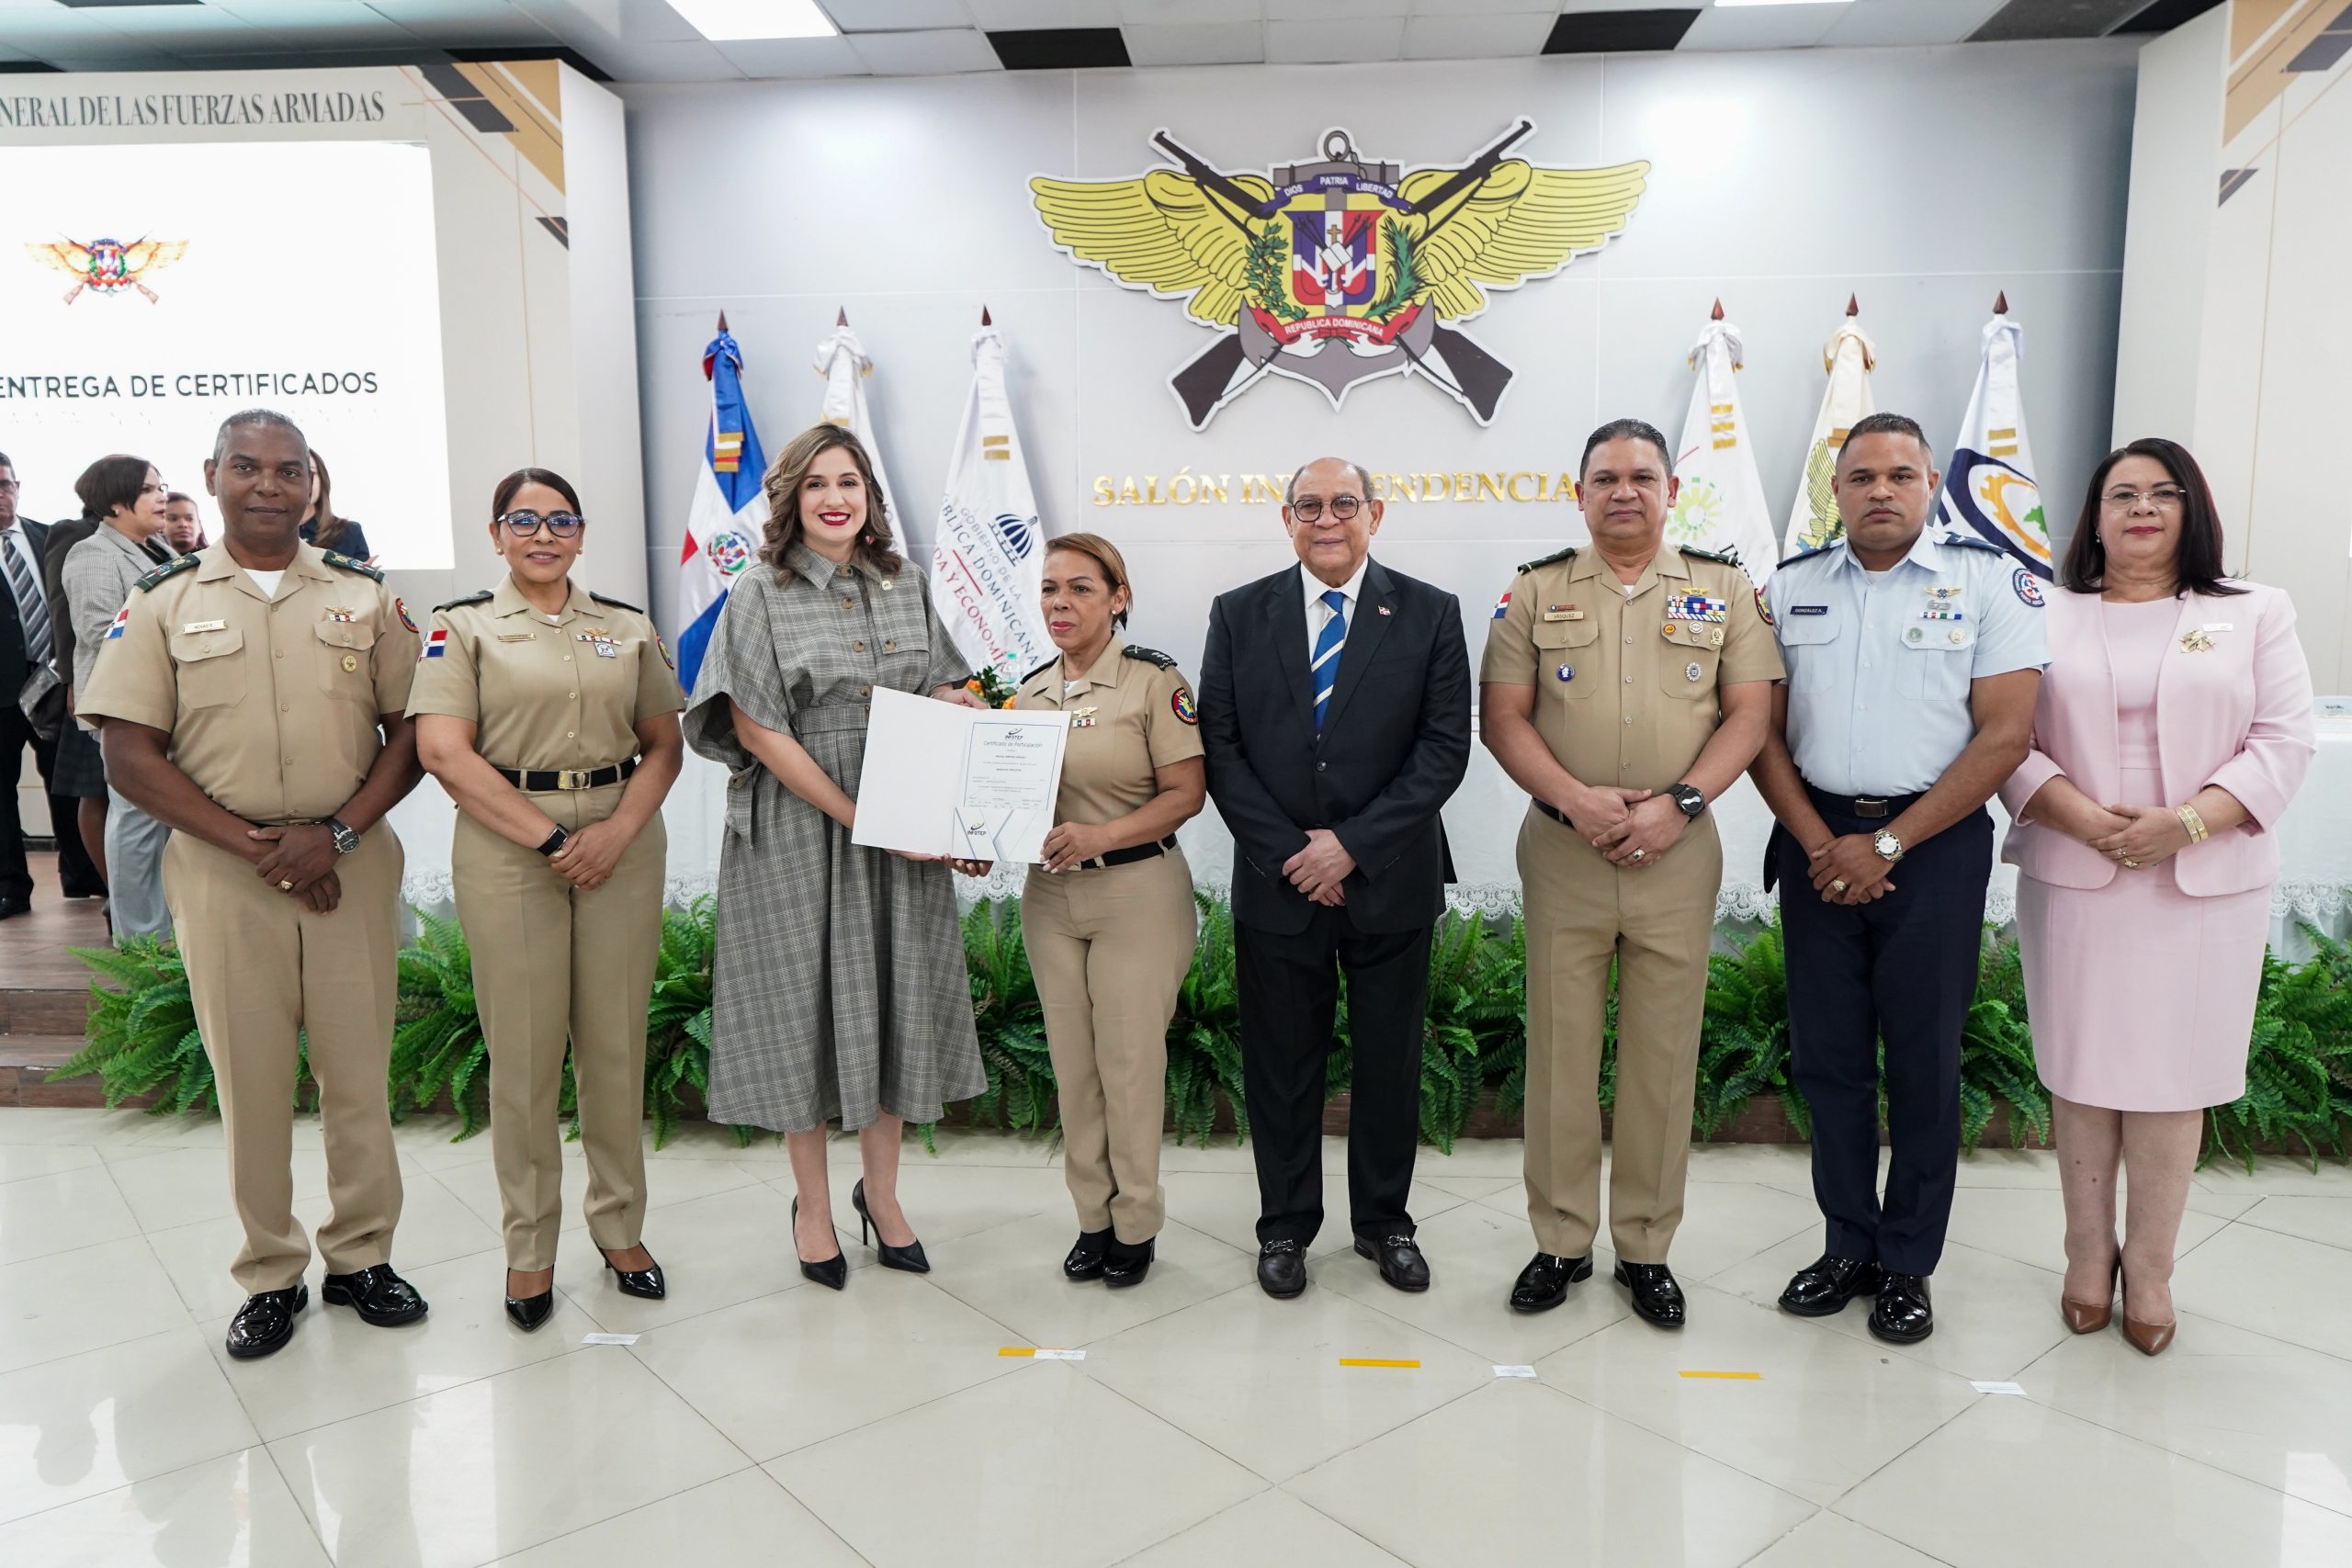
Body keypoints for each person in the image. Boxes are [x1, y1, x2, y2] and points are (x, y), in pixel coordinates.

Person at [79, 409, 428, 1359]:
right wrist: (261, 847)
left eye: (288, 470)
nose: (268, 485)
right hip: (224, 875)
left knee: (358, 1077)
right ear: (212, 476)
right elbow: (128, 753)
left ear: (312, 485)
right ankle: (271, 1273)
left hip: (350, 867)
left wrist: (336, 836)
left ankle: (362, 1257)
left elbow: (413, 733)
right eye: (247, 467)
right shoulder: (161, 601)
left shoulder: (364, 596)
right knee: (252, 1083)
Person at [2000, 438, 2314, 1358]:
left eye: (2162, 493)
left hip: (2201, 883)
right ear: (2094, 519)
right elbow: (2003, 739)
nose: (2141, 508)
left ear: (2192, 510)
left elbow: (2283, 739)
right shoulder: (2042, 611)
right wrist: (2082, 818)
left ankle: (2151, 1267)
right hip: (2077, 870)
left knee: (2176, 1079)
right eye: (2122, 494)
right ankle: (2084, 1252)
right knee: (2082, 1071)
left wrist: (2182, 824)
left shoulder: (2253, 611)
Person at [1748, 412, 2047, 1345]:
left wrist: (1884, 846)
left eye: (1900, 475)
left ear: (1930, 485)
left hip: (1933, 845)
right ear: (1834, 492)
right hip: (1816, 841)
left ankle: (1908, 1262)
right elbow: (1759, 732)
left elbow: (2006, 735)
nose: (1880, 490)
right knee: (1829, 1060)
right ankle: (1848, 1244)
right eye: (1861, 476)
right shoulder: (1789, 586)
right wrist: (1822, 843)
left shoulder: (1991, 581)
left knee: (1922, 1062)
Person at [1479, 418, 1779, 1328]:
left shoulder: (1724, 588)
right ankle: (1560, 1239)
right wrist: (1577, 801)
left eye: (1642, 477)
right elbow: (1503, 717)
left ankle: (1645, 1246)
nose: (1624, 492)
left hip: (1676, 853)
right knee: (1560, 1053)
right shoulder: (1534, 590)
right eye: (1605, 478)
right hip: (1563, 850)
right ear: (1578, 494)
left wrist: (1678, 804)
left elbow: (1750, 715)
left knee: (1662, 1056)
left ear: (1670, 491)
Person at [683, 424, 988, 1290]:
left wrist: (961, 707)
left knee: (895, 1002)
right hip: (798, 826)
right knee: (803, 1012)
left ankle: (881, 1196)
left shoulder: (905, 581)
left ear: (869, 496)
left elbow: (942, 682)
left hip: (904, 820)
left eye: (848, 481)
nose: (834, 498)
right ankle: (812, 1208)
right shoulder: (760, 590)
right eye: (815, 483)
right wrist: (861, 816)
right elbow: (756, 728)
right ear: (791, 499)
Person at [410, 468, 686, 1331]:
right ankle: (529, 1247)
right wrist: (554, 841)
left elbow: (664, 743)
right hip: (509, 847)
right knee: (525, 1059)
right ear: (496, 533)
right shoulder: (462, 627)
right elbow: (443, 752)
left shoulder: (627, 626)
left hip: (621, 844)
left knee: (615, 1047)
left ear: (581, 532)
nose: (543, 534)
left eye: (561, 519)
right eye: (523, 520)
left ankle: (620, 1228)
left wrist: (615, 830)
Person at [1199, 457, 1471, 1301]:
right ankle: (1284, 1226)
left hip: (1389, 878)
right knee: (1281, 1066)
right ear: (1286, 518)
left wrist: (1350, 845)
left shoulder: (1429, 611)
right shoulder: (1239, 613)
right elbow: (1221, 749)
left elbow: (1442, 750)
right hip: (1279, 881)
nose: (1326, 519)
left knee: (1390, 1062)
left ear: (1374, 514)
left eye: (1343, 503)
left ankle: (1385, 1223)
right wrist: (1296, 852)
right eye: (1308, 505)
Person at [1012, 535, 1206, 1288]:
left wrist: (1102, 834)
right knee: (1074, 1069)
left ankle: (1136, 1224)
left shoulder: (1154, 682)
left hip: (1137, 892)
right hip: (1050, 899)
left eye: (1080, 588)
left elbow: (1186, 794)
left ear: (1118, 597)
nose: (1060, 603)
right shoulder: (1030, 691)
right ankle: (1092, 1218)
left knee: (1129, 1067)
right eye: (1050, 588)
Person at [61, 455, 176, 938]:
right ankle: (141, 938)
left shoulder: (160, 549)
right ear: (113, 502)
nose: (161, 497)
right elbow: (97, 628)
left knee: (163, 817)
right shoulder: (92, 553)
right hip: (127, 705)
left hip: (167, 703)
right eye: (148, 489)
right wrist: (181, 637)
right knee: (136, 817)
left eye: (162, 487)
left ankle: (169, 929)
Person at [0, 450, 103, 917]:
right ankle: (11, 887)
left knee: (68, 784)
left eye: (5, 484)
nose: (1, 494)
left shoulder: (48, 536)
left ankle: (83, 878)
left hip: (54, 683)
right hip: (2, 689)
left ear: (18, 488)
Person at [298, 447, 372, 562]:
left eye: (311, 472)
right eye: (291, 473)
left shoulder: (349, 533)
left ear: (322, 480)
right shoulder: (269, 534)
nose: (306, 481)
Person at [163, 491, 208, 556]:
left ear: (199, 526)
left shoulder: (215, 557)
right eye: (173, 519)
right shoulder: (149, 560)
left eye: (190, 519)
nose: (183, 524)